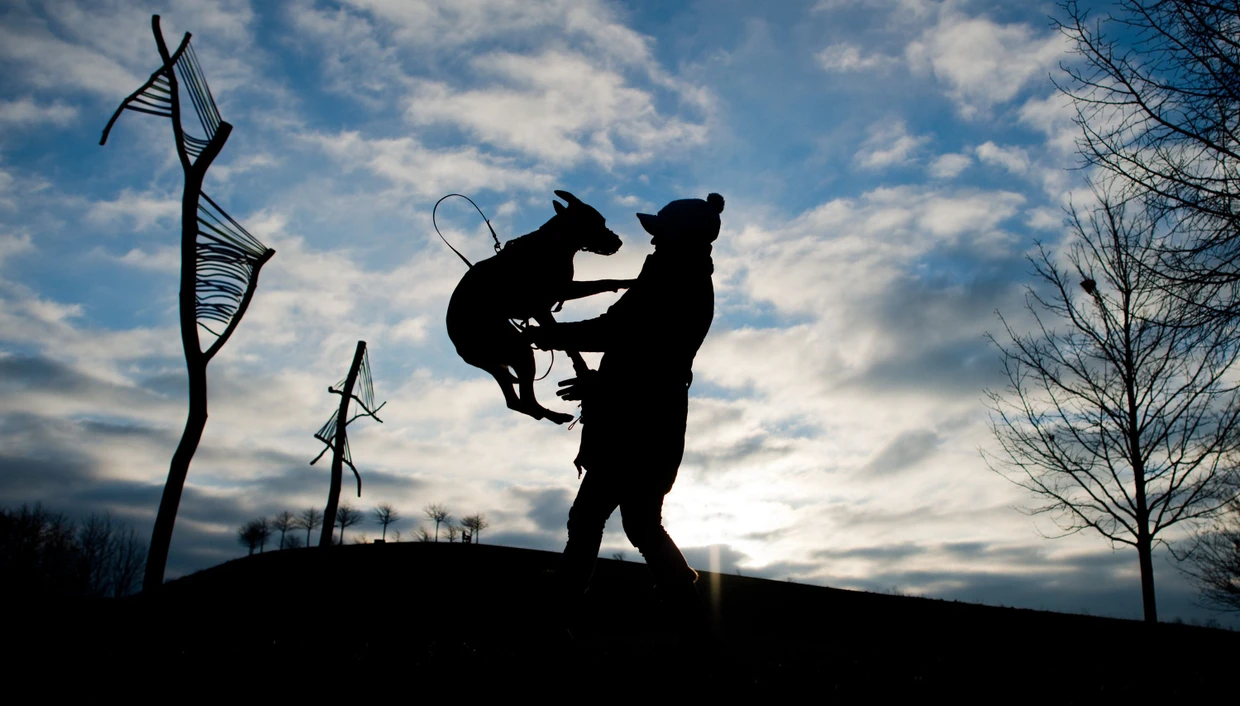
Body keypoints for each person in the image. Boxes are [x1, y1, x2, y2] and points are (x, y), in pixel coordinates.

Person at [527, 192, 724, 634]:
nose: (652, 243)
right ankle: (684, 602)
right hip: (653, 414)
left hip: (635, 421)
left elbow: (623, 335)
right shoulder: (678, 275)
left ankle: (566, 597)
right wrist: (598, 381)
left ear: (681, 236)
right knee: (639, 520)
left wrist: (556, 338)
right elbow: (638, 347)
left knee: (593, 513)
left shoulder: (676, 278)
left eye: (659, 235)